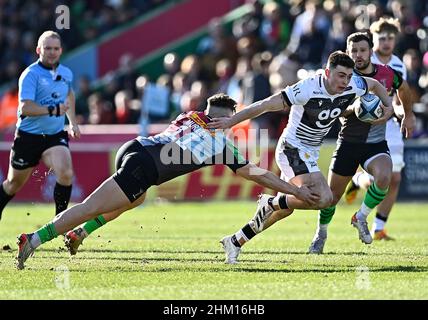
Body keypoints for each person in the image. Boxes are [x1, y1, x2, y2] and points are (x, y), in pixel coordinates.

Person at [15, 93, 319, 269]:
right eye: (232, 121)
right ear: (228, 119)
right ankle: (36, 238)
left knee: (137, 198)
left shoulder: (189, 115)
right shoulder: (222, 144)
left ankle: (80, 234)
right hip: (145, 166)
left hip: (135, 148)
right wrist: (294, 189)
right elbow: (259, 174)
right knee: (90, 206)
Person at [208, 51, 394, 264]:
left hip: (310, 152)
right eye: (341, 75)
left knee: (284, 210)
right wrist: (231, 121)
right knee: (324, 198)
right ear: (327, 72)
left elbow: (376, 85)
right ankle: (271, 201)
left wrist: (387, 106)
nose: (345, 81)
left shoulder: (354, 84)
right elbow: (264, 105)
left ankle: (236, 240)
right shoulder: (306, 88)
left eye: (349, 76)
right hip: (292, 149)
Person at [308, 32, 414, 254]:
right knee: (331, 198)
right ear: (347, 52)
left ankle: (361, 217)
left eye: (362, 50)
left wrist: (408, 115)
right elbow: (330, 107)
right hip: (348, 142)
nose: (358, 55)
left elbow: (403, 89)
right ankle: (321, 234)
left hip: (375, 143)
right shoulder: (342, 77)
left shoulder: (386, 74)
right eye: (353, 50)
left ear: (370, 51)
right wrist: (353, 109)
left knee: (386, 175)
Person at [344, 18, 415, 240]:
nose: (386, 42)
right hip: (361, 125)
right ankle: (358, 180)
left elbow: (398, 95)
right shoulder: (363, 60)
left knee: (395, 179)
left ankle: (378, 228)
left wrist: (404, 112)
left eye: (390, 38)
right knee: (380, 179)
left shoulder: (398, 64)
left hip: (389, 123)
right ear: (373, 41)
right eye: (381, 38)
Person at [0, 31, 80, 222]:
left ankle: (59, 224)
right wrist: (53, 110)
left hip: (54, 135)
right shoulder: (30, 74)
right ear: (38, 50)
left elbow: (69, 95)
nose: (52, 52)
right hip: (28, 137)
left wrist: (73, 122)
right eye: (47, 48)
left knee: (66, 173)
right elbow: (25, 107)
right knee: (12, 185)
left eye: (55, 48)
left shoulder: (66, 73)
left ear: (60, 50)